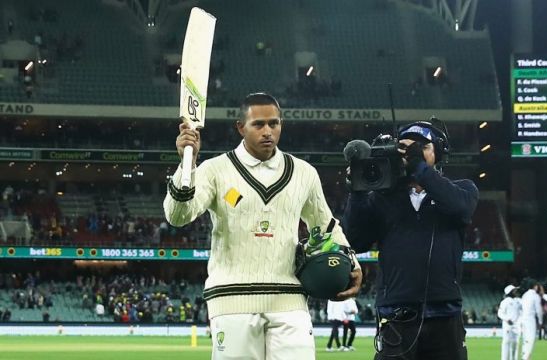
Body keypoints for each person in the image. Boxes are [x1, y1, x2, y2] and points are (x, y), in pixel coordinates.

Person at [164, 92, 362, 359]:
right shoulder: (214, 170)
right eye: (258, 124)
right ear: (240, 127)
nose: (268, 131)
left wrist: (352, 261)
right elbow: (177, 216)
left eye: (274, 123)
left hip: (290, 300)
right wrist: (186, 165)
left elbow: (325, 225)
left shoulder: (303, 172)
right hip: (232, 303)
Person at [344, 121, 479, 359]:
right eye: (405, 148)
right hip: (397, 315)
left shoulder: (462, 189)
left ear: (439, 152)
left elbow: (460, 209)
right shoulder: (383, 197)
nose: (411, 153)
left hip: (445, 316)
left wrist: (419, 168)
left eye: (421, 148)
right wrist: (358, 192)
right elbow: (356, 240)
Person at [520, 279, 543, 360]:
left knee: (525, 340)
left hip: (523, 318)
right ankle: (527, 358)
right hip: (530, 319)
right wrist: (540, 321)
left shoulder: (524, 295)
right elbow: (538, 310)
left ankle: (524, 356)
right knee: (531, 340)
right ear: (535, 286)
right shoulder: (535, 296)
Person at [497, 285, 521, 360]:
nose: (515, 291)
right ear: (510, 292)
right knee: (506, 343)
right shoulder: (505, 301)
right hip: (508, 325)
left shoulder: (518, 300)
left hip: (516, 325)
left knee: (515, 343)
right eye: (514, 290)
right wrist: (507, 319)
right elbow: (500, 313)